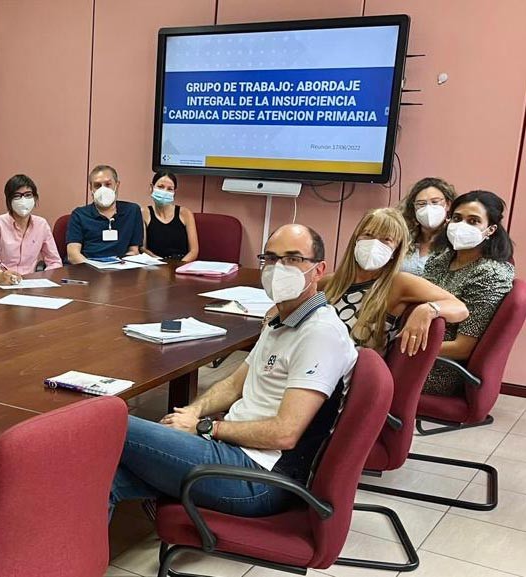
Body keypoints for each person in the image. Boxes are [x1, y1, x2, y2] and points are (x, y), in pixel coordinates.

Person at [110, 224, 357, 517]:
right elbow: (233, 385)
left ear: (318, 270)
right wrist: (192, 411)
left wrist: (205, 427)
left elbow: (285, 433)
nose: (279, 268)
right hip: (231, 451)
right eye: (271, 259)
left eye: (293, 259)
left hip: (259, 478)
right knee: (104, 476)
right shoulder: (280, 319)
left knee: (107, 423)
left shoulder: (320, 333)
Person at [322, 208, 468, 355]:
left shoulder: (398, 283)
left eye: (386, 240)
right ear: (355, 240)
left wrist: (428, 310)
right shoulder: (329, 283)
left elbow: (460, 308)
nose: (374, 244)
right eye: (368, 235)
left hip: (356, 367)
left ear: (395, 251)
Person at [422, 190, 515, 396]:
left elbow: (462, 347)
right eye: (457, 218)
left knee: (359, 372)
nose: (461, 226)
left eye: (473, 221)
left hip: (439, 367)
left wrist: (399, 346)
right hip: (414, 347)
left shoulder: (490, 274)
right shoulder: (440, 260)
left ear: (490, 230)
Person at [0, 174, 63, 275]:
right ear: (9, 200)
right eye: (17, 196)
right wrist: (4, 278)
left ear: (35, 198)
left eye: (28, 195)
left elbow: (55, 261)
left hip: (32, 280)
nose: (23, 200)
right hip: (4, 280)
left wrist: (44, 277)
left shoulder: (41, 224)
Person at [66, 165, 143, 264]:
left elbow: (134, 251)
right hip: (87, 268)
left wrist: (120, 267)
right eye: (97, 185)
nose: (103, 189)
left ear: (117, 185)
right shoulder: (79, 215)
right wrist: (95, 269)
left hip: (120, 268)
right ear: (91, 188)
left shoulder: (132, 211)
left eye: (108, 184)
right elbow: (73, 255)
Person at [397, 177, 456, 275]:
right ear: (414, 208)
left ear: (448, 204)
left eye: (435, 202)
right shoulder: (404, 237)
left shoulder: (454, 241)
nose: (428, 208)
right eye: (421, 204)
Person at [141, 171, 199, 261]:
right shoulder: (144, 213)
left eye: (169, 189)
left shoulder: (185, 213)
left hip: (182, 264)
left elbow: (194, 251)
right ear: (152, 188)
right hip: (156, 264)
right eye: (160, 187)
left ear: (174, 192)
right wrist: (159, 262)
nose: (164, 192)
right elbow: (143, 248)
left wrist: (179, 265)